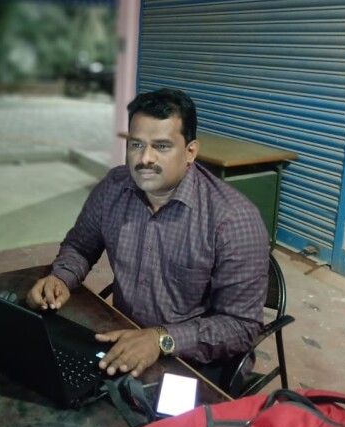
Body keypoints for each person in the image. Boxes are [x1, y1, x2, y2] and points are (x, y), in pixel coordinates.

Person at [27, 88, 269, 384]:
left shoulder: (232, 220)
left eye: (162, 146)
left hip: (196, 364)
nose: (145, 158)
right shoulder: (113, 188)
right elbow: (80, 246)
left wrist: (161, 339)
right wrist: (61, 278)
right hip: (123, 339)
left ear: (190, 151)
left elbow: (241, 326)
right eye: (137, 144)